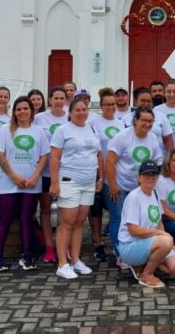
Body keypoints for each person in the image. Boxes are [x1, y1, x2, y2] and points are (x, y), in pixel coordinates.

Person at [0, 96, 49, 271]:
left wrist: (35, 177)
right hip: (7, 184)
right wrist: (14, 176)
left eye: (26, 108)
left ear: (31, 111)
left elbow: (44, 156)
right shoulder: (5, 130)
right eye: (19, 109)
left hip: (31, 184)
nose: (22, 112)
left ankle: (27, 255)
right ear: (14, 112)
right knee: (5, 219)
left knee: (26, 219)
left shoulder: (39, 131)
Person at [50, 98, 103, 279]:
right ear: (70, 112)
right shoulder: (62, 131)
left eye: (84, 109)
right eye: (77, 110)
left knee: (80, 221)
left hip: (88, 182)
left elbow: (98, 154)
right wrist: (54, 183)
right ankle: (62, 263)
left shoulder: (92, 129)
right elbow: (55, 158)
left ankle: (75, 260)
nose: (81, 113)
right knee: (67, 222)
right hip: (69, 180)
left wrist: (100, 178)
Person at [106, 107, 163, 267]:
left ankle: (136, 250)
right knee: (118, 219)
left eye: (150, 121)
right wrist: (112, 185)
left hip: (141, 188)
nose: (147, 124)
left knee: (136, 223)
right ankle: (121, 254)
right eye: (144, 120)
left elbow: (157, 161)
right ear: (135, 120)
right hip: (120, 185)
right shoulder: (123, 137)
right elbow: (110, 160)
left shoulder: (152, 138)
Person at [118, 160, 175, 288]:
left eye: (153, 175)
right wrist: (162, 236)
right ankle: (146, 275)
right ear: (139, 177)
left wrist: (170, 245)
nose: (150, 178)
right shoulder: (134, 197)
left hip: (150, 242)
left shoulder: (154, 194)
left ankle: (143, 265)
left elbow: (159, 222)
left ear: (157, 177)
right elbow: (133, 230)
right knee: (165, 241)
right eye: (146, 175)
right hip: (130, 245)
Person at [33, 86, 68, 263]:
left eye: (62, 98)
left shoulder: (70, 116)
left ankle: (65, 244)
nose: (59, 101)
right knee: (46, 210)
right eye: (56, 98)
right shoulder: (39, 118)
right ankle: (48, 246)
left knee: (66, 211)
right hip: (46, 172)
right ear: (50, 99)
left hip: (67, 172)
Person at [90, 88, 123, 261]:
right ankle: (97, 242)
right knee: (96, 210)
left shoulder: (120, 123)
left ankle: (117, 244)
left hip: (116, 174)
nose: (110, 107)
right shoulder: (94, 122)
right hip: (97, 172)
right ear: (101, 106)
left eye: (112, 104)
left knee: (114, 210)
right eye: (106, 104)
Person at [126, 87, 173, 156]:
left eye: (149, 101)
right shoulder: (127, 118)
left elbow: (168, 139)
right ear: (136, 101)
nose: (146, 103)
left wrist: (169, 159)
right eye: (143, 100)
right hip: (132, 160)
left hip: (157, 160)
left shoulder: (161, 116)